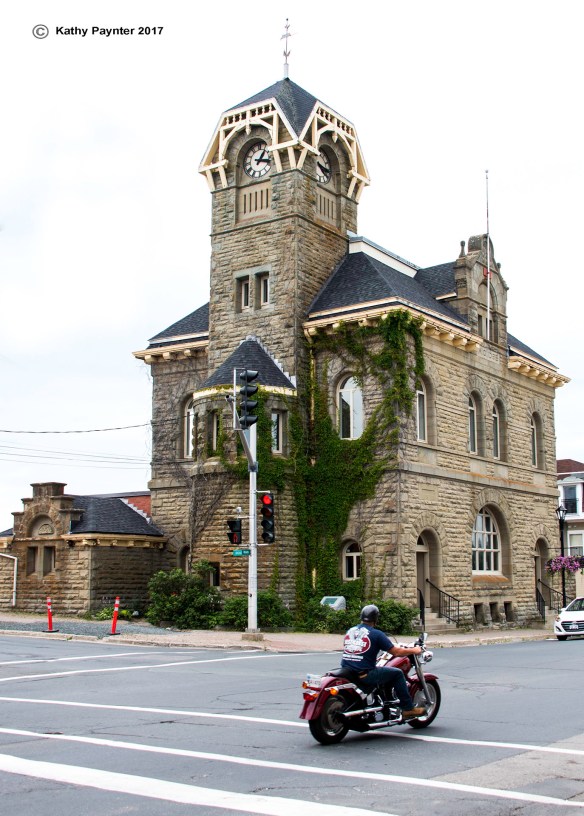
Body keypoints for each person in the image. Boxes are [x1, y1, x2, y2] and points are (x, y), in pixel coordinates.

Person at [341, 604, 426, 719]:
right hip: (365, 675)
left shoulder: (350, 631)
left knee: (379, 668)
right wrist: (414, 650)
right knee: (397, 673)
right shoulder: (376, 634)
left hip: (347, 671)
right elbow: (396, 652)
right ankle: (408, 709)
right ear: (376, 619)